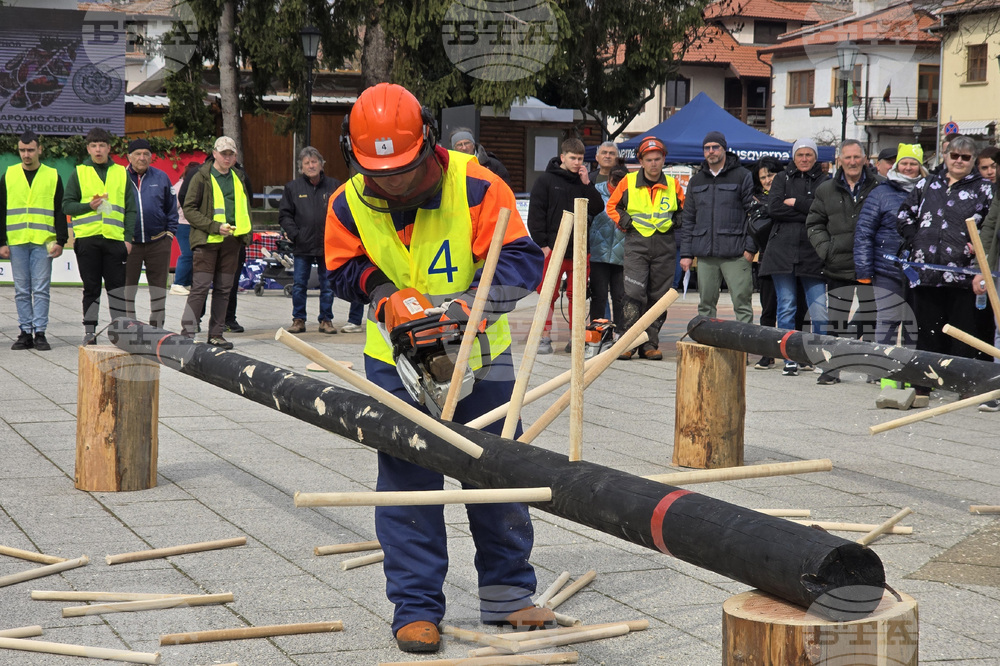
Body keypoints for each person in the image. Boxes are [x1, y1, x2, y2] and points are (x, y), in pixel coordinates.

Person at [325, 83, 550, 653]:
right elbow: (342, 266)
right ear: (355, 157)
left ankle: (507, 597)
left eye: (404, 171)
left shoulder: (477, 184)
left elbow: (522, 259)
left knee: (499, 477)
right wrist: (382, 295)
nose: (393, 184)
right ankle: (415, 609)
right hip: (394, 363)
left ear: (428, 143)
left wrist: (474, 305)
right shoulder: (347, 201)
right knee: (407, 486)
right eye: (381, 175)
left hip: (481, 357)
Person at [897, 135, 994, 394]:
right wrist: (914, 238)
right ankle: (924, 384)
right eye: (955, 156)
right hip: (926, 271)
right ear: (946, 156)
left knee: (962, 331)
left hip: (963, 274)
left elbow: (990, 224)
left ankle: (961, 382)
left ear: (973, 161)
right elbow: (904, 215)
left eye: (965, 157)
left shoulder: (983, 188)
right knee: (927, 329)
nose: (959, 161)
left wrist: (980, 246)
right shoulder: (927, 184)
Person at [805, 139, 881, 384]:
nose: (852, 162)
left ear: (865, 159)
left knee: (871, 315)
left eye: (856, 157)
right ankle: (833, 368)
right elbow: (814, 223)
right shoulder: (826, 189)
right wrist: (826, 250)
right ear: (840, 160)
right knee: (836, 318)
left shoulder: (880, 186)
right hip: (837, 264)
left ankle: (870, 366)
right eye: (847, 158)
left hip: (870, 263)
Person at [607, 135, 684, 360]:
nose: (653, 164)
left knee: (658, 296)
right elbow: (612, 206)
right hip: (636, 243)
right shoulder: (628, 182)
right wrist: (627, 223)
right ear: (641, 161)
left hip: (664, 244)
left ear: (663, 160)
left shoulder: (673, 185)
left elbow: (683, 209)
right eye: (649, 159)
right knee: (633, 293)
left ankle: (650, 343)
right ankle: (629, 342)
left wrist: (675, 223)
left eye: (657, 159)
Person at [527, 137, 604, 354]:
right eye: (573, 158)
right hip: (552, 247)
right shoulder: (545, 180)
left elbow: (597, 208)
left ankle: (575, 337)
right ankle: (544, 336)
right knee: (547, 294)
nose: (577, 162)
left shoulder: (582, 181)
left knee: (577, 295)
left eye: (580, 158)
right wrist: (542, 244)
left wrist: (587, 183)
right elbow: (536, 214)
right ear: (563, 157)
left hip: (578, 249)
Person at [760, 137, 830, 376]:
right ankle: (789, 357)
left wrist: (796, 202)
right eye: (800, 154)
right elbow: (774, 209)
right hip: (782, 251)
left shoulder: (824, 180)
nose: (804, 159)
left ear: (815, 157)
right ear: (793, 156)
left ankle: (821, 356)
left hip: (814, 252)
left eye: (809, 154)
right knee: (787, 307)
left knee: (819, 309)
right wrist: (808, 209)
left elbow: (826, 210)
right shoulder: (782, 178)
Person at [62, 127, 136, 345]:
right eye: (93, 146)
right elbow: (67, 205)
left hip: (115, 240)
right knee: (91, 288)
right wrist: (88, 206)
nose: (98, 150)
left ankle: (119, 331)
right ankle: (90, 331)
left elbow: (131, 209)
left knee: (116, 288)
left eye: (102, 145)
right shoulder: (79, 172)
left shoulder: (121, 172)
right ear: (88, 148)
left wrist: (128, 239)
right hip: (88, 240)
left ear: (109, 148)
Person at [181, 136, 252, 349]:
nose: (227, 157)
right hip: (207, 241)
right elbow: (189, 209)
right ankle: (187, 334)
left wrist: (243, 235)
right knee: (200, 288)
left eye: (231, 153)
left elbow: (245, 207)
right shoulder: (201, 176)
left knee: (224, 289)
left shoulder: (239, 177)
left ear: (235, 155)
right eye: (223, 153)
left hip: (232, 242)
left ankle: (216, 335)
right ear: (214, 154)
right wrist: (213, 226)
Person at [678, 131, 755, 324]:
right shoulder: (696, 181)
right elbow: (688, 219)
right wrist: (686, 254)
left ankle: (742, 351)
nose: (711, 151)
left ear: (724, 149)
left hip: (736, 253)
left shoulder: (742, 176)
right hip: (705, 254)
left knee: (742, 305)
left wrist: (750, 248)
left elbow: (754, 215)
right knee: (705, 305)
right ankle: (707, 348)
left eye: (715, 147)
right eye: (707, 148)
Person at [0, 130, 67, 350]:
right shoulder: (8, 175)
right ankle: (24, 332)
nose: (26, 154)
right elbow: (1, 210)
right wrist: (1, 241)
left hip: (43, 240)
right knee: (21, 289)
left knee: (40, 289)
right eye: (22, 150)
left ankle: (40, 333)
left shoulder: (52, 175)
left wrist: (62, 240)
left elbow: (60, 210)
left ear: (39, 149)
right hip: (17, 240)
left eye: (30, 150)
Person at [855, 143, 925, 352]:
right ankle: (882, 367)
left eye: (913, 163)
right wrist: (864, 270)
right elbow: (864, 232)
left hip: (920, 270)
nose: (908, 167)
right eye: (904, 162)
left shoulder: (931, 190)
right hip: (887, 268)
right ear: (897, 165)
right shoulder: (881, 193)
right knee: (888, 320)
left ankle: (911, 370)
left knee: (915, 323)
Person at [279, 147, 343, 334]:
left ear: (322, 164)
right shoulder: (292, 188)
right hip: (302, 244)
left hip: (328, 245)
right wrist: (295, 234)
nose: (311, 165)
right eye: (307, 163)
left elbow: (343, 212)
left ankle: (326, 320)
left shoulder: (334, 186)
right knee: (299, 285)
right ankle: (298, 320)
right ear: (301, 167)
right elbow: (284, 215)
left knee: (328, 285)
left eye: (314, 161)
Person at [124, 138, 178, 329]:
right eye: (138, 154)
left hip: (158, 243)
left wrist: (170, 234)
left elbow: (172, 208)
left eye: (146, 154)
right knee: (127, 290)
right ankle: (130, 328)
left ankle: (157, 329)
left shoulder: (161, 177)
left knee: (158, 290)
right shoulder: (119, 178)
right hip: (129, 244)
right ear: (129, 156)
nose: (142, 158)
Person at [750, 157, 781, 369]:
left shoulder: (790, 193)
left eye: (770, 174)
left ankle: (796, 352)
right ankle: (767, 353)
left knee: (793, 308)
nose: (767, 180)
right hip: (766, 259)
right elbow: (755, 228)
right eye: (763, 177)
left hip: (790, 258)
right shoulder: (756, 200)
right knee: (768, 309)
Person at [588, 164, 627, 330]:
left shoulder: (631, 194)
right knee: (599, 297)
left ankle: (619, 334)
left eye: (621, 182)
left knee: (620, 298)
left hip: (622, 254)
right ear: (609, 177)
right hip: (599, 253)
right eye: (614, 181)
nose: (617, 185)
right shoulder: (596, 191)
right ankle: (597, 334)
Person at [170, 160, 201, 295]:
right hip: (183, 224)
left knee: (193, 254)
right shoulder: (180, 186)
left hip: (192, 224)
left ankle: (187, 283)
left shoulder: (191, 185)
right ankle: (178, 283)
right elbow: (171, 206)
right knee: (187, 254)